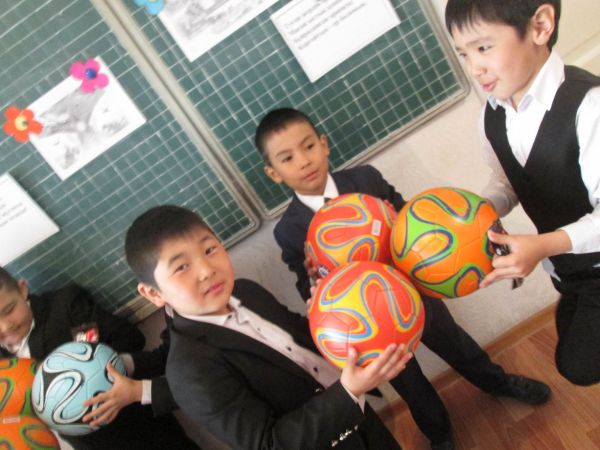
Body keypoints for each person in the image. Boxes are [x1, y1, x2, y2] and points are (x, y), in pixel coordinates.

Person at [255, 107, 552, 449]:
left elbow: (413, 217)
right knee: (408, 382)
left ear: (324, 144)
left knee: (456, 344)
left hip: (415, 289)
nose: (304, 161)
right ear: (274, 173)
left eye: (309, 146)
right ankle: (438, 431)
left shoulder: (365, 180)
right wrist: (314, 281)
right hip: (369, 324)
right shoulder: (289, 231)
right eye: (287, 158)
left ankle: (498, 383)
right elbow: (307, 287)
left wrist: (402, 220)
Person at [125, 204, 414, 450]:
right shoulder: (189, 370)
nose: (206, 270)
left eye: (210, 249)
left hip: (360, 420)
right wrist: (348, 392)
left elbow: (301, 340)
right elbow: (270, 444)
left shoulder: (247, 291)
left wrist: (329, 309)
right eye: (181, 267)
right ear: (153, 293)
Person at [444, 0, 600, 386]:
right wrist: (476, 212)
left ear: (541, 26)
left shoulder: (589, 105)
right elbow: (509, 182)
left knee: (579, 365)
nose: (473, 67)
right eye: (464, 54)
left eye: (483, 47)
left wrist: (542, 245)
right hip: (568, 271)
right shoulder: (492, 116)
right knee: (571, 346)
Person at [0, 267, 199, 450]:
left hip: (142, 429)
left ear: (22, 290)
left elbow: (130, 337)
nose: (5, 326)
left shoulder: (65, 306)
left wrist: (93, 368)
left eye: (9, 310)